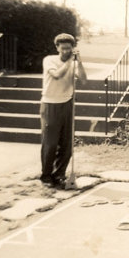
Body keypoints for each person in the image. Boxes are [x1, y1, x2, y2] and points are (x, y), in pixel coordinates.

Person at [40, 33, 87, 189]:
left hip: (67, 103)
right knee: (51, 143)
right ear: (57, 47)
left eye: (69, 48)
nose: (66, 51)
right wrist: (69, 62)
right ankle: (46, 176)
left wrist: (79, 63)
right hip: (50, 103)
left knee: (67, 145)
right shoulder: (49, 60)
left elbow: (84, 80)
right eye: (63, 48)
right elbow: (57, 75)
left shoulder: (73, 62)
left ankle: (59, 175)